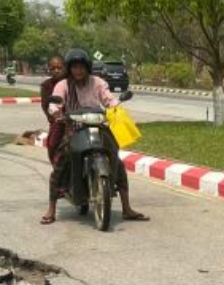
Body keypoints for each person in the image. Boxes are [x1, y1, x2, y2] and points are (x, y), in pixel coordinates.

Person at [41, 48, 146, 225]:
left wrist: (115, 106)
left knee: (117, 162)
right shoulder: (64, 85)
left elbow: (108, 99)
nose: (78, 70)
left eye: (81, 67)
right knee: (61, 162)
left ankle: (127, 208)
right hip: (73, 127)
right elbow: (56, 100)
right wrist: (56, 110)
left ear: (87, 67)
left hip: (98, 125)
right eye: (74, 67)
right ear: (69, 69)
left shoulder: (97, 82)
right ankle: (51, 209)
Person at [40, 56, 66, 164]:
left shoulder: (73, 81)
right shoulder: (46, 85)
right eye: (53, 68)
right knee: (52, 144)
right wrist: (54, 118)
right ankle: (57, 171)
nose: (56, 70)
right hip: (58, 120)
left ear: (64, 67)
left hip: (78, 119)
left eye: (59, 67)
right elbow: (45, 105)